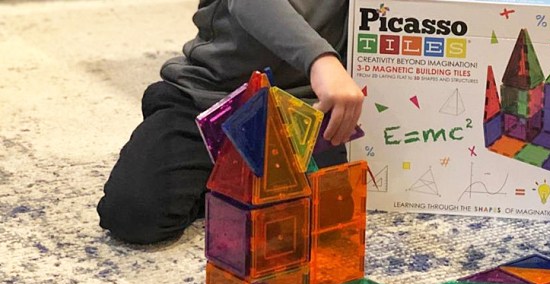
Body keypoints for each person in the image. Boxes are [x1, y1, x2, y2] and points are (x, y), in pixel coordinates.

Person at [97, 0, 363, 245]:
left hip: (303, 108)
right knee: (135, 215)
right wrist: (320, 59)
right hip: (211, 95)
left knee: (309, 229)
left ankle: (233, 178)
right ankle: (217, 169)